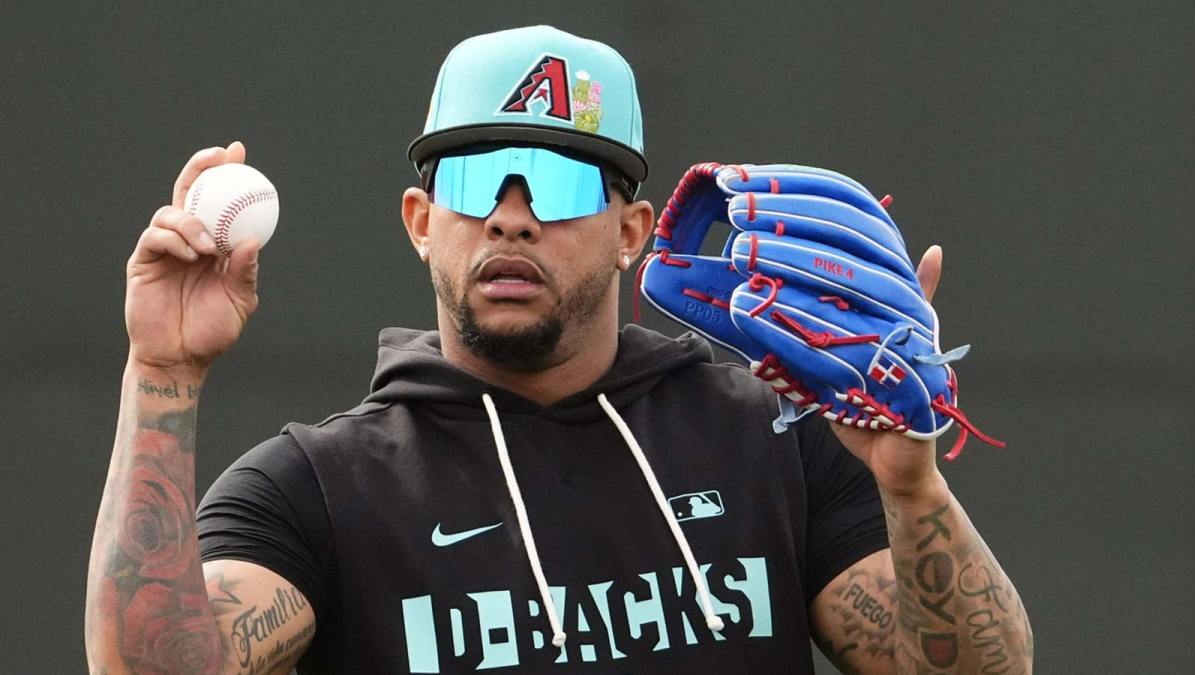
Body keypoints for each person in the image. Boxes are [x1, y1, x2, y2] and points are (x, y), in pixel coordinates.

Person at [85, 25, 1032, 675]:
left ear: (633, 232)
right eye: (473, 179)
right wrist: (161, 375)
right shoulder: (317, 487)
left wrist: (912, 487)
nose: (512, 216)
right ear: (421, 221)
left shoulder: (770, 437)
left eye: (558, 181)